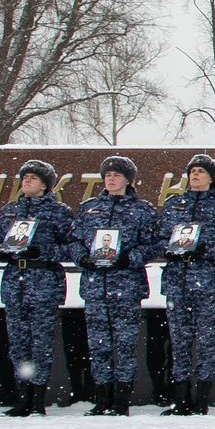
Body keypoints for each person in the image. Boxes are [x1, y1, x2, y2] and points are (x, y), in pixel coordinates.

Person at [67, 155, 160, 415]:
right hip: (95, 285)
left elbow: (154, 244)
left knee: (125, 344)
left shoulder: (142, 210)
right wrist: (83, 258)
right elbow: (73, 240)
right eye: (107, 174)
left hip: (126, 285)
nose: (111, 178)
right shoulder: (89, 208)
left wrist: (129, 258)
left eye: (117, 174)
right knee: (98, 345)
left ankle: (121, 398)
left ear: (128, 179)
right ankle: (102, 396)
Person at [155, 153, 215, 415]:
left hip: (206, 281)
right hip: (176, 282)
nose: (194, 175)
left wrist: (204, 249)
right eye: (192, 171)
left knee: (205, 341)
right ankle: (181, 399)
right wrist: (170, 249)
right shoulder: (174, 204)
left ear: (212, 178)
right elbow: (158, 238)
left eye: (201, 172)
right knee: (179, 341)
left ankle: (202, 398)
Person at [0, 159, 73, 416]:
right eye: (24, 177)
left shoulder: (59, 212)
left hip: (43, 282)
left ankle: (38, 398)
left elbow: (71, 246)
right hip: (15, 282)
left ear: (45, 186)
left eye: (33, 178)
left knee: (40, 343)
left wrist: (42, 252)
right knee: (18, 344)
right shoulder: (9, 211)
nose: (27, 181)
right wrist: (3, 252)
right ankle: (22, 396)